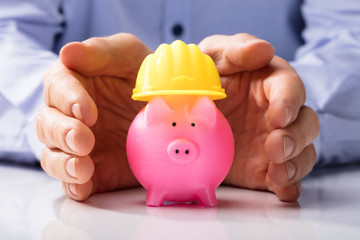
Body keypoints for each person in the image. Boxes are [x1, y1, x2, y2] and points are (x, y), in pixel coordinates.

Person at [0, 0, 358, 202]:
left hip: (252, 133)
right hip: (102, 131)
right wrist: (59, 109)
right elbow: (7, 31)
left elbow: (350, 34)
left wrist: (285, 110)